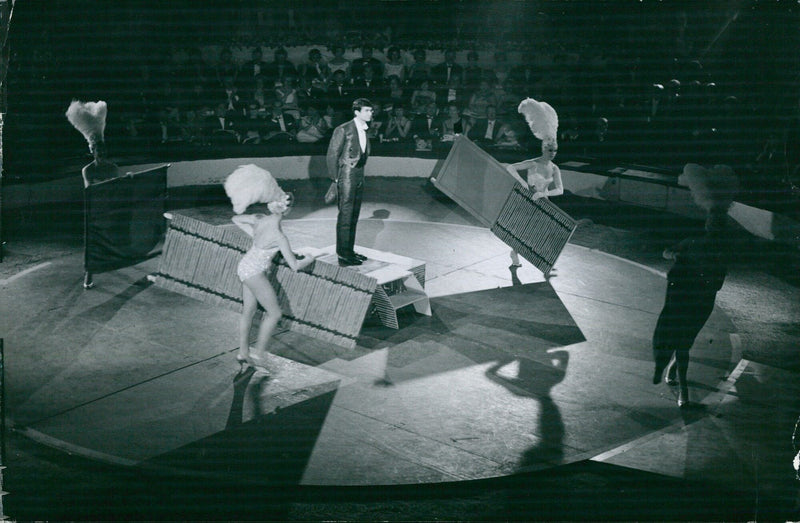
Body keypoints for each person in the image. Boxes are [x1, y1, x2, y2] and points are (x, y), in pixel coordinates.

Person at [651, 163, 738, 407]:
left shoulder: (706, 248)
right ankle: (684, 392)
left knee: (685, 340)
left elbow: (670, 254)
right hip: (697, 300)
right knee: (684, 342)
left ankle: (673, 374)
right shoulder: (698, 245)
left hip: (698, 300)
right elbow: (669, 253)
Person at [224, 165, 318, 374]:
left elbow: (235, 218)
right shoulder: (279, 236)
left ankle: (243, 352)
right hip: (254, 271)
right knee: (274, 313)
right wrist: (310, 259)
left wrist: (254, 235)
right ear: (288, 210)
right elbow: (294, 265)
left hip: (245, 266)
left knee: (248, 311)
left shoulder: (259, 219)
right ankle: (259, 354)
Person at [66, 99, 122, 289]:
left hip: (111, 210)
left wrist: (126, 180)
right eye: (98, 150)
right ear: (93, 152)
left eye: (104, 150)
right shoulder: (87, 171)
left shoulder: (114, 168)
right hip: (95, 211)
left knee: (115, 242)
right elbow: (90, 190)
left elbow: (118, 189)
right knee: (92, 246)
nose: (102, 153)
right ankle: (89, 276)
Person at [504, 98, 564, 270]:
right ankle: (515, 253)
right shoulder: (533, 163)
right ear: (543, 148)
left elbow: (560, 190)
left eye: (554, 150)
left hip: (543, 201)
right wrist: (523, 184)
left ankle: (543, 262)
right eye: (549, 150)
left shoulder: (554, 168)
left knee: (542, 233)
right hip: (528, 201)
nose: (552, 153)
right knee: (523, 231)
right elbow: (510, 168)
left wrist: (544, 194)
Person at [326, 98, 373, 266]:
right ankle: (343, 254)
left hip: (359, 175)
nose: (370, 113)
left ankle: (349, 250)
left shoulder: (365, 129)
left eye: (371, 110)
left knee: (354, 215)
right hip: (346, 176)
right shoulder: (343, 129)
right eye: (367, 110)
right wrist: (336, 178)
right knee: (346, 215)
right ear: (357, 112)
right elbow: (332, 155)